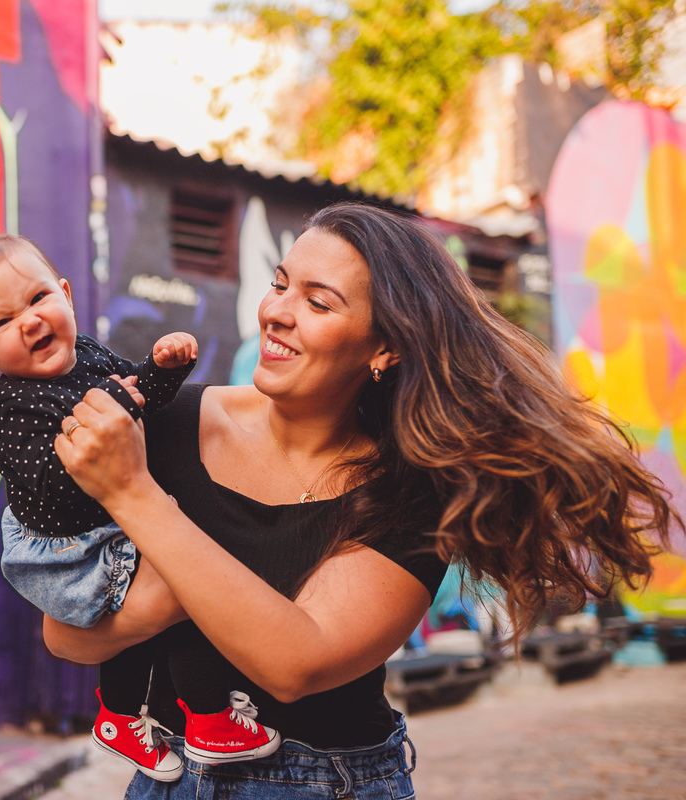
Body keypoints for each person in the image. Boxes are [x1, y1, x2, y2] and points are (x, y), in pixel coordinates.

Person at [45, 202, 678, 799]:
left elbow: (295, 660)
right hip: (169, 776)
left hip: (324, 781)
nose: (277, 312)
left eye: (318, 302)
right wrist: (196, 592)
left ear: (384, 348)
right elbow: (67, 634)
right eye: (280, 283)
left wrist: (135, 500)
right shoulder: (165, 423)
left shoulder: (413, 491)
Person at [0, 225, 283, 782]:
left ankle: (120, 716)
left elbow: (138, 399)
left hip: (107, 523)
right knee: (189, 587)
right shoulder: (19, 408)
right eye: (1, 323)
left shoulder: (88, 355)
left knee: (151, 610)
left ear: (66, 295)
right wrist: (117, 407)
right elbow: (48, 494)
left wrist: (163, 371)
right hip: (68, 544)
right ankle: (210, 717)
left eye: (38, 298)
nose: (29, 321)